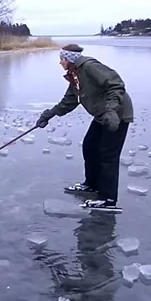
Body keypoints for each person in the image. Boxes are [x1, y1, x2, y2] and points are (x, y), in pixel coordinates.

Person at [35, 44, 134, 210]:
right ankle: (92, 184)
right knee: (89, 147)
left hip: (117, 114)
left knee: (108, 156)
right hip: (102, 115)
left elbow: (116, 84)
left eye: (62, 59)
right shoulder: (75, 76)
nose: (60, 63)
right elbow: (69, 102)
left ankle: (108, 199)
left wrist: (111, 111)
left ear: (69, 59)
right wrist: (48, 115)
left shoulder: (89, 67)